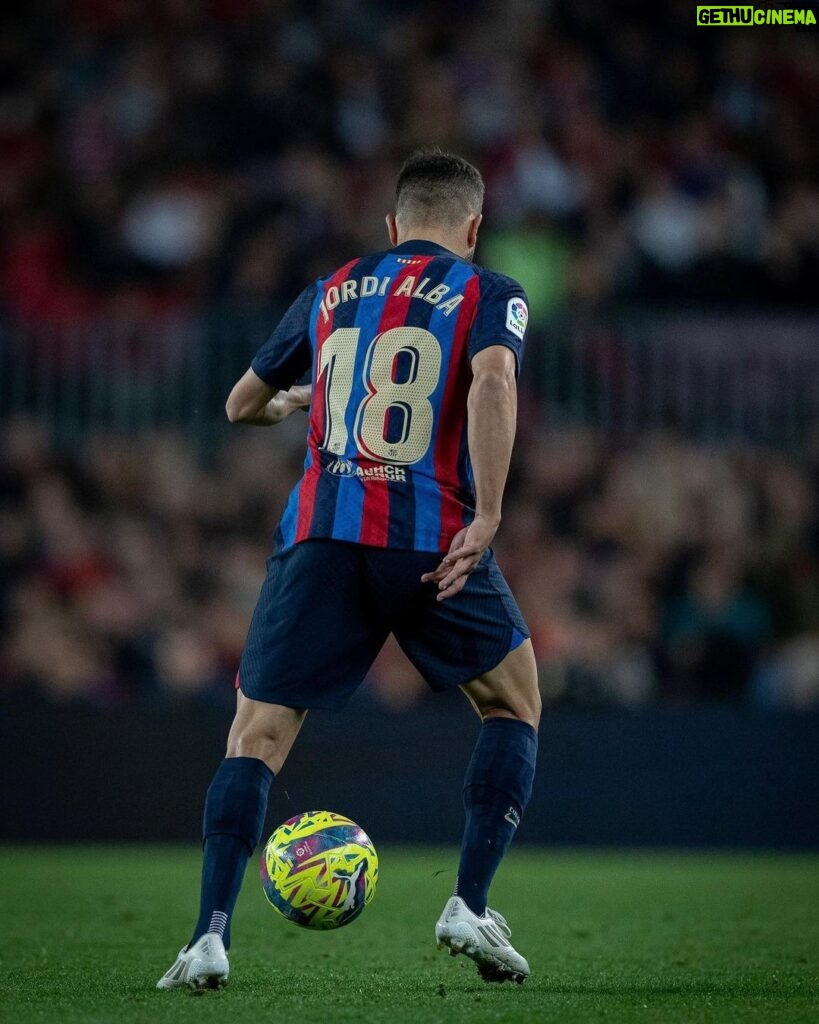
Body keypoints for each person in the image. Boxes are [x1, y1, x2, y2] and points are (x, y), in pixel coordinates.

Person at [157, 149, 541, 990]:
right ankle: (468, 904)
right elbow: (493, 381)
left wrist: (296, 400)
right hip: (429, 535)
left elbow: (239, 405)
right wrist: (488, 515)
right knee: (511, 701)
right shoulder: (490, 292)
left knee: (255, 737)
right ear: (472, 229)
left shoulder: (332, 288)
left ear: (391, 226)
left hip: (322, 536)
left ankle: (208, 939)